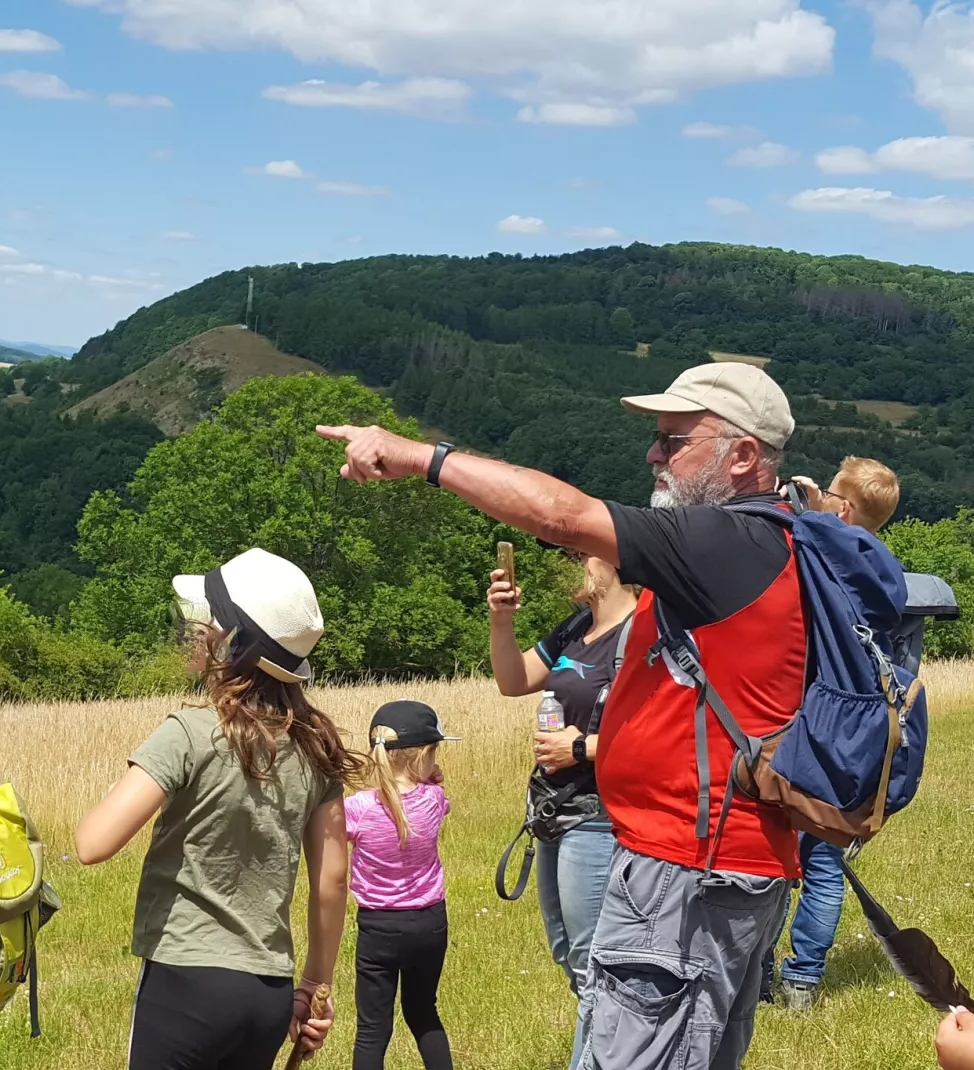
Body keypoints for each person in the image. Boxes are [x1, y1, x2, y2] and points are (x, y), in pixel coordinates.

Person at [320, 361, 807, 1070]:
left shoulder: (728, 544)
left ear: (742, 457)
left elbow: (559, 515)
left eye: (673, 441)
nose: (652, 454)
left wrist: (421, 457)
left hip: (685, 875)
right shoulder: (778, 538)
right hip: (725, 868)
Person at [75, 547, 356, 1070]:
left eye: (204, 623)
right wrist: (317, 981)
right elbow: (332, 881)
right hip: (268, 991)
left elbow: (93, 844)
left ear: (231, 642)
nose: (193, 631)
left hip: (185, 984)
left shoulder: (188, 733)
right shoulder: (316, 749)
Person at [489, 550, 638, 1067]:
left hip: (600, 817)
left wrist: (583, 748)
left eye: (584, 555)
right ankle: (615, 1050)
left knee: (592, 958)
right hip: (556, 810)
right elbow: (512, 680)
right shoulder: (577, 627)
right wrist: (501, 620)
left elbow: (667, 734)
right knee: (567, 953)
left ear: (618, 564)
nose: (575, 563)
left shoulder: (642, 633)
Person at [767, 456, 902, 1009]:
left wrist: (801, 506)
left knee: (780, 857)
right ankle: (803, 980)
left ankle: (763, 973)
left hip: (805, 722)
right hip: (855, 735)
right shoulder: (883, 568)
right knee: (825, 863)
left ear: (842, 506)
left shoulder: (827, 550)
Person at [347, 699, 458, 1070]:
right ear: (425, 755)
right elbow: (440, 801)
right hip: (429, 923)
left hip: (377, 927)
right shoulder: (434, 800)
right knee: (424, 1011)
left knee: (372, 1030)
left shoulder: (358, 809)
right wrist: (431, 779)